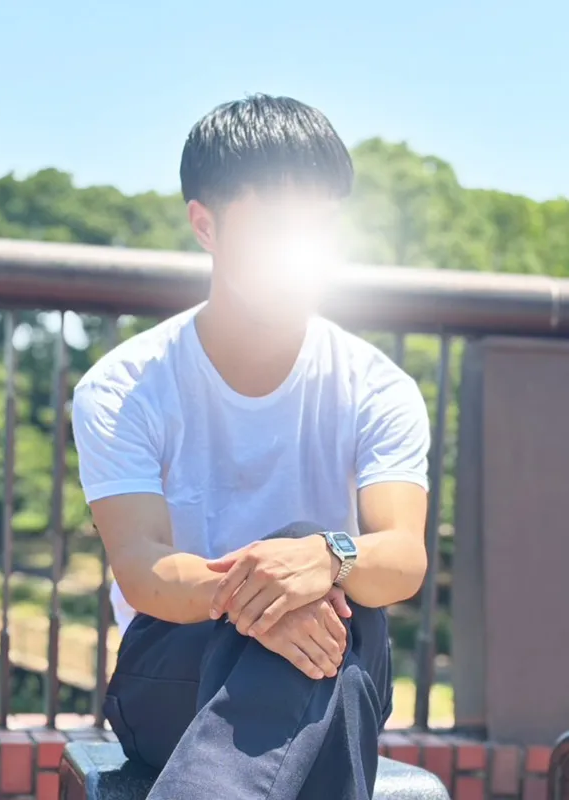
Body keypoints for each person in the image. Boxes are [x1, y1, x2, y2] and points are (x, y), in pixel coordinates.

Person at [71, 94, 430, 800]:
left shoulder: (377, 386)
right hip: (175, 668)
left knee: (328, 590)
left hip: (331, 646)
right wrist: (270, 594)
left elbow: (403, 557)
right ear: (205, 224)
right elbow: (143, 570)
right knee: (325, 646)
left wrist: (325, 556)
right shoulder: (124, 386)